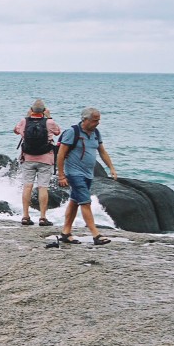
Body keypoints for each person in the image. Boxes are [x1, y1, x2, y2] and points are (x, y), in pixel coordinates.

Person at [54, 107, 118, 245]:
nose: (98, 123)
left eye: (99, 120)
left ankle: (65, 233)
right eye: (95, 120)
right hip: (74, 173)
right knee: (85, 202)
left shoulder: (96, 133)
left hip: (88, 174)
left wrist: (111, 168)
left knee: (75, 202)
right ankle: (96, 235)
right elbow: (60, 154)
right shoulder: (72, 132)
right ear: (85, 120)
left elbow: (102, 151)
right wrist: (61, 176)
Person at [13, 99, 62, 227]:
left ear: (32, 109)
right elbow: (58, 132)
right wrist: (49, 116)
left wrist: (28, 116)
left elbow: (15, 130)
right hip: (45, 159)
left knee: (27, 186)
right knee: (42, 187)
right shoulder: (49, 122)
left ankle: (25, 216)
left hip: (28, 158)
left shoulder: (25, 121)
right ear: (44, 110)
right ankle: (42, 217)